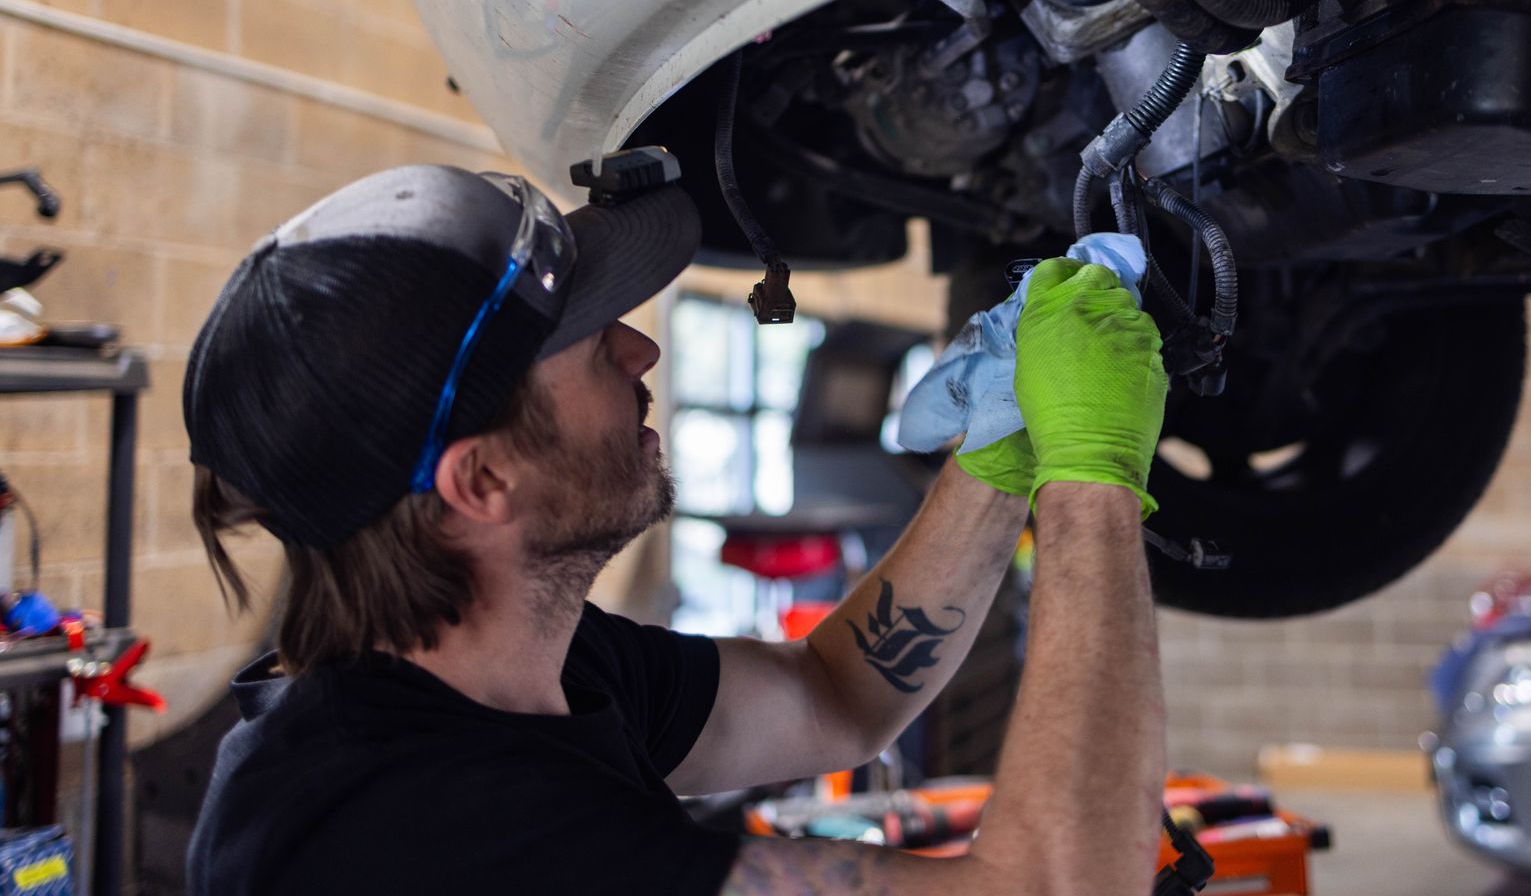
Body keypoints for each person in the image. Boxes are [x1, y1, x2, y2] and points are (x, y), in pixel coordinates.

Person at [184, 157, 1171, 895]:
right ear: (482, 479)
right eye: (585, 343)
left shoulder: (508, 675)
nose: (641, 348)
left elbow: (838, 696)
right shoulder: (412, 832)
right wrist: (1091, 478)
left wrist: (1000, 455)